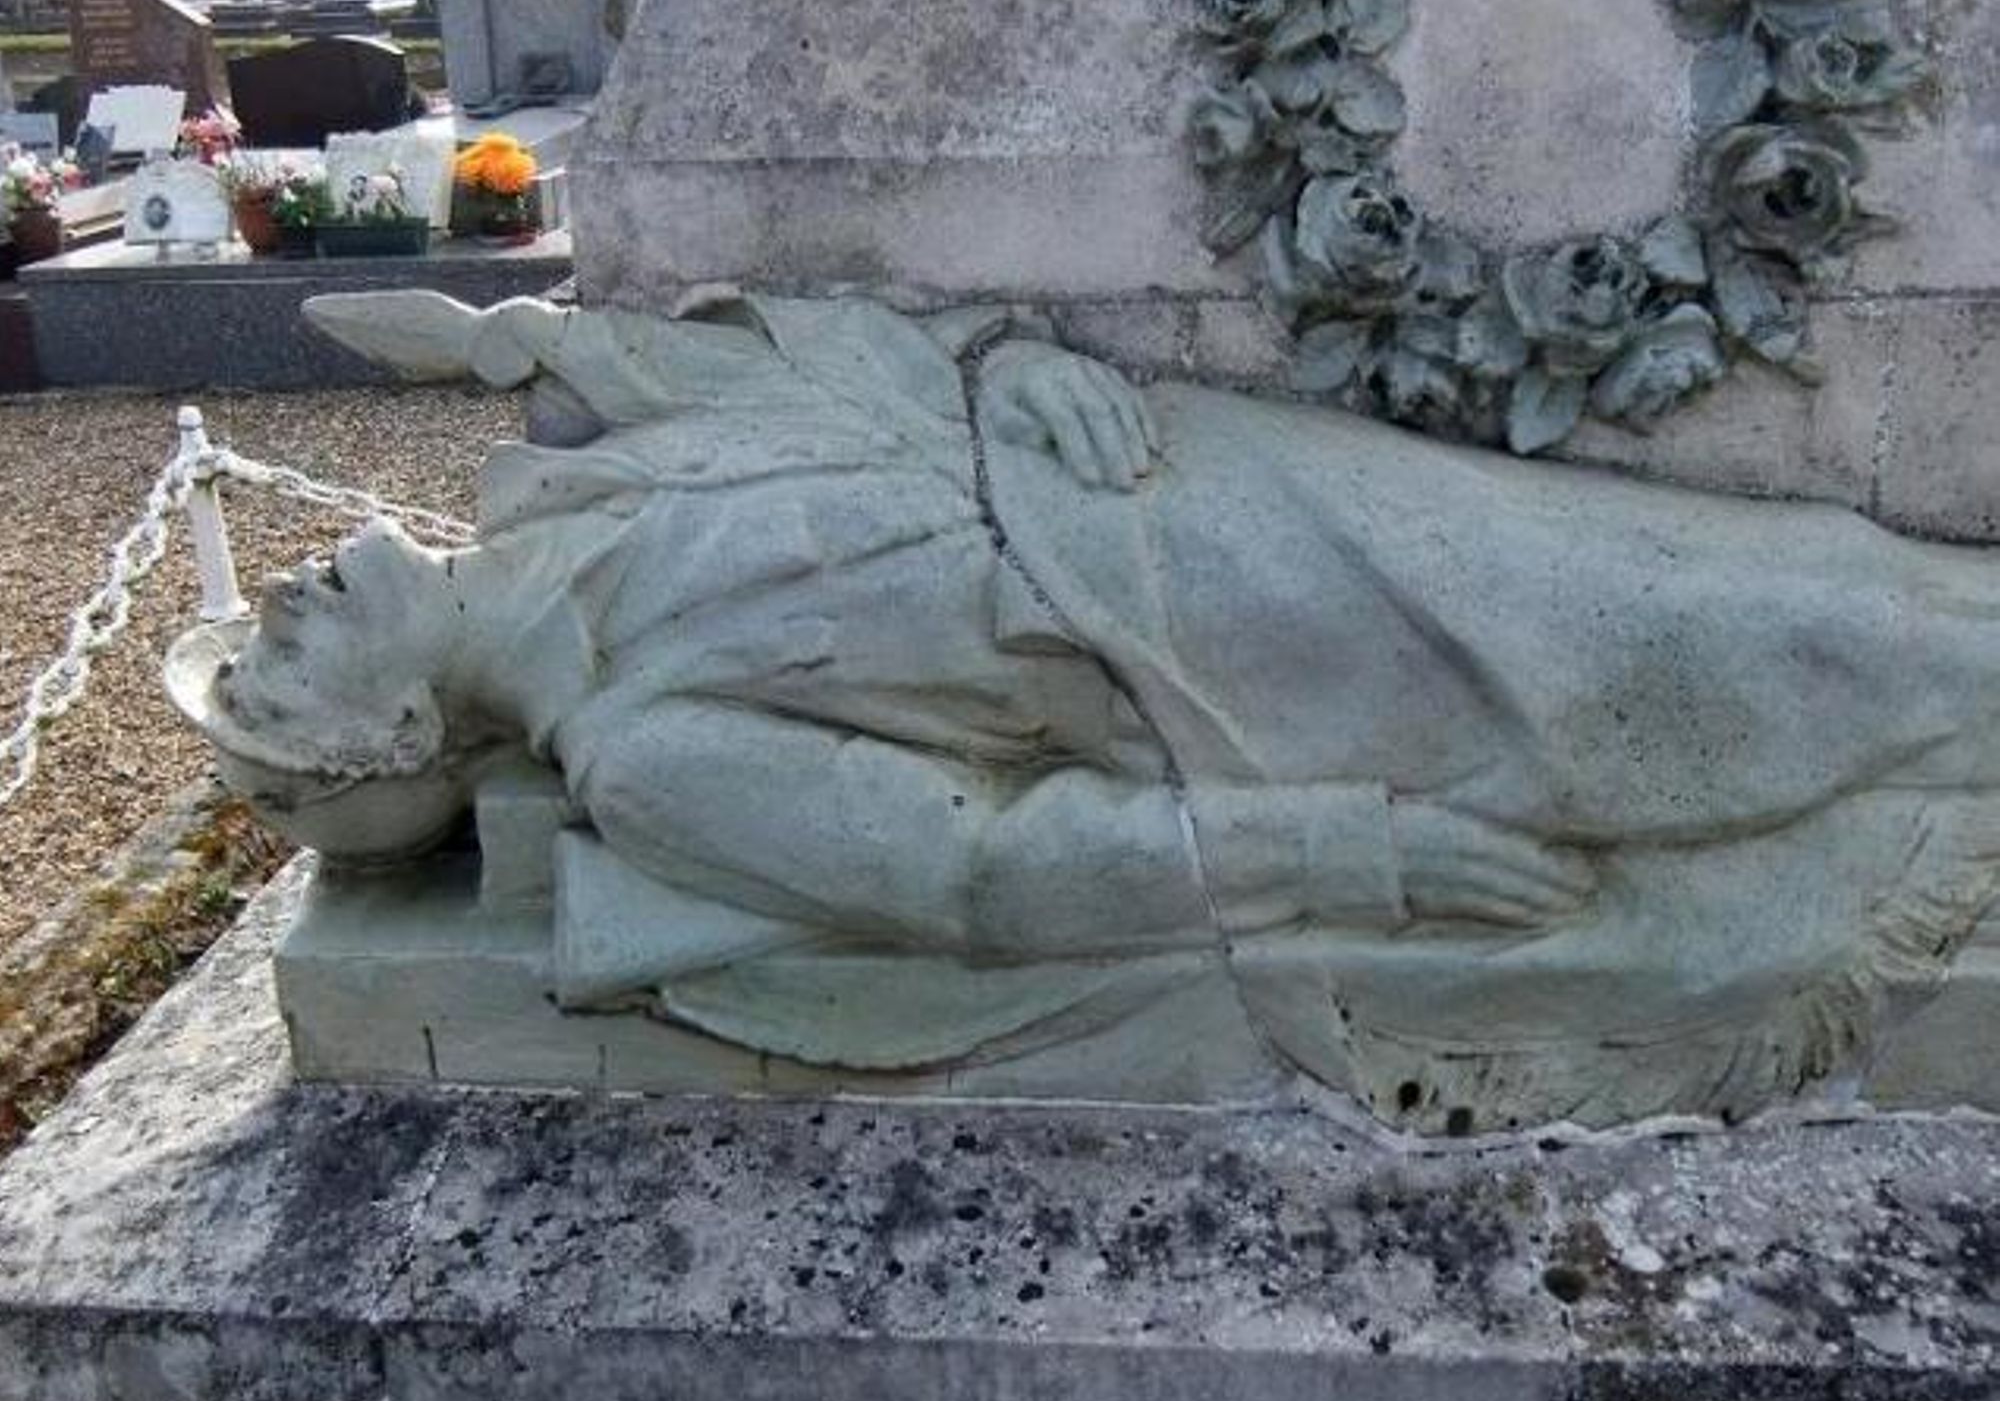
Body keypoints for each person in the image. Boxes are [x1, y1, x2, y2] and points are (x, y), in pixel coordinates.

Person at [169, 289, 2000, 1130]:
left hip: (1216, 480)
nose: (282, 599)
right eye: (274, 669)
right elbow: (987, 873)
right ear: (393, 745)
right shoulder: (651, 761)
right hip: (1233, 661)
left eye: (252, 628)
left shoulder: (580, 479)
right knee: (1792, 644)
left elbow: (844, 351)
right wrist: (1358, 853)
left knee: (1793, 574)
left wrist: (1015, 363)